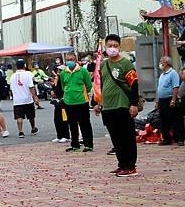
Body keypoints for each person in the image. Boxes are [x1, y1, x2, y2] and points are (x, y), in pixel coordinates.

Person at [94, 34, 140, 177]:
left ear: (119, 47)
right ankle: (122, 164)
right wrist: (97, 103)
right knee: (115, 138)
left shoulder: (126, 63)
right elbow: (99, 85)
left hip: (123, 105)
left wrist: (133, 104)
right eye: (110, 46)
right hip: (108, 107)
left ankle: (131, 166)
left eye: (115, 45)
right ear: (105, 47)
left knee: (126, 137)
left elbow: (134, 85)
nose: (112, 48)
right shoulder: (103, 65)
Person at [57, 53, 94, 152]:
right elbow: (63, 86)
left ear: (76, 59)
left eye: (72, 59)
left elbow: (89, 85)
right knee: (72, 124)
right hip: (68, 102)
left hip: (82, 101)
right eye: (68, 59)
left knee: (85, 124)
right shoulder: (63, 73)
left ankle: (88, 145)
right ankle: (75, 145)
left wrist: (82, 93)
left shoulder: (83, 71)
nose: (70, 61)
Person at [156, 56, 183, 146]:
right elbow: (159, 88)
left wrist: (173, 100)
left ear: (166, 63)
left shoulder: (173, 73)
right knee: (163, 120)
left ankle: (179, 138)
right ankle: (166, 139)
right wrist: (157, 101)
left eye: (161, 62)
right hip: (162, 100)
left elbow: (175, 87)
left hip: (170, 99)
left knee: (175, 119)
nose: (160, 64)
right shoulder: (162, 75)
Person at [9, 59, 40, 138]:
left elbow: (11, 89)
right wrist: (35, 97)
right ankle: (33, 129)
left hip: (17, 100)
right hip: (27, 99)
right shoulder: (28, 74)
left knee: (19, 117)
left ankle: (20, 132)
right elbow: (31, 87)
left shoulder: (12, 76)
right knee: (31, 116)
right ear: (24, 66)